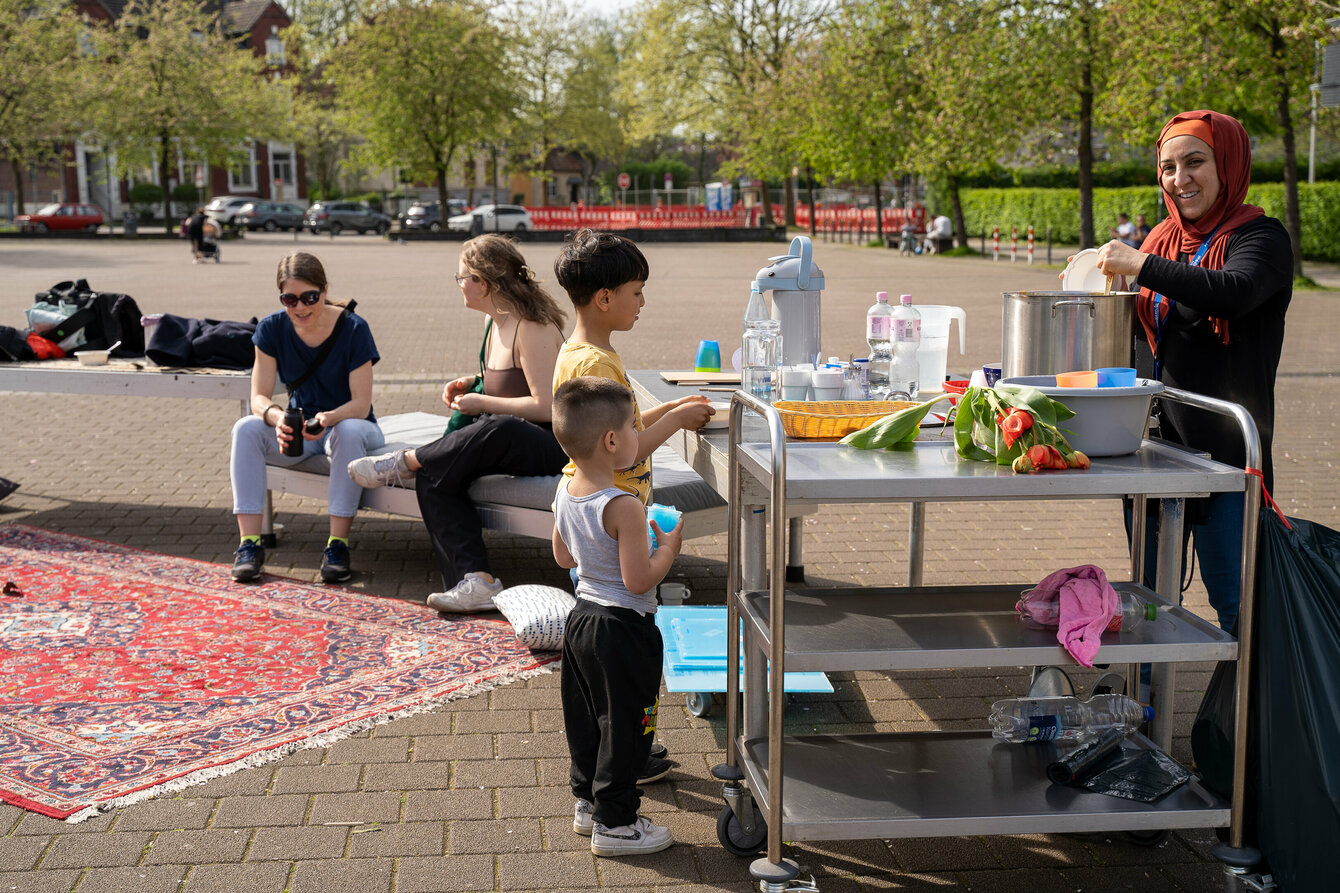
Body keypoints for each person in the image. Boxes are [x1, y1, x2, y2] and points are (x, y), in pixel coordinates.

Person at [1095, 109, 1292, 635]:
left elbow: (1233, 293)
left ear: (1227, 163)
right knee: (1148, 601)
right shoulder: (1161, 239)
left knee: (1237, 603)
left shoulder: (1261, 239)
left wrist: (1140, 266)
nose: (1180, 179)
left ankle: (1247, 715)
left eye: (1195, 162)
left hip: (1227, 460)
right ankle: (1144, 707)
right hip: (1154, 455)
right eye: (1168, 167)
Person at [346, 235, 568, 612]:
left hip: (550, 443)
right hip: (506, 441)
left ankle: (405, 461)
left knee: (499, 426)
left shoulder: (532, 326)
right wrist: (473, 383)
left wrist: (482, 401)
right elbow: (506, 385)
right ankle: (476, 580)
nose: (460, 284)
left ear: (484, 281)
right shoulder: (492, 321)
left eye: (462, 277)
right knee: (435, 476)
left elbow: (547, 406)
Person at [550, 376, 682, 857]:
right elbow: (639, 580)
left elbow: (564, 558)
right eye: (633, 427)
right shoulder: (624, 506)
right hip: (622, 628)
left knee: (586, 719)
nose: (636, 436)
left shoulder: (565, 492)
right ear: (612, 441)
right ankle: (618, 824)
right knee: (626, 727)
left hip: (581, 620)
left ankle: (588, 804)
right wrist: (667, 547)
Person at [229, 251, 385, 584]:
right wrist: (276, 418)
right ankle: (249, 544)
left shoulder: (354, 329)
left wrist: (328, 418)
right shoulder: (271, 329)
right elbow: (258, 397)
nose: (300, 308)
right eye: (289, 299)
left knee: (350, 430)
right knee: (246, 428)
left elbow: (360, 404)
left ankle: (337, 545)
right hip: (303, 433)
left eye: (309, 297)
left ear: (325, 290)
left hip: (350, 427)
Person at [550, 229, 714, 506]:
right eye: (637, 292)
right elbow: (619, 453)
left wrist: (671, 408)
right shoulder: (596, 364)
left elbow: (623, 426)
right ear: (604, 299)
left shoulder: (577, 352)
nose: (643, 302)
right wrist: (676, 421)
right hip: (610, 506)